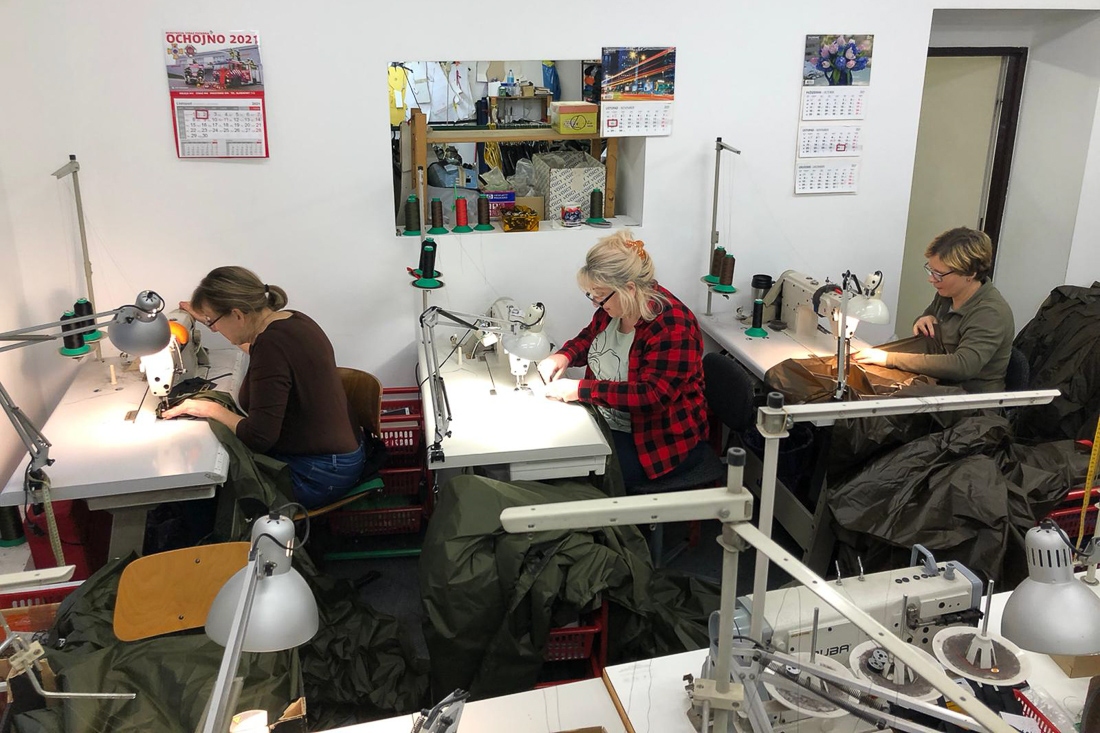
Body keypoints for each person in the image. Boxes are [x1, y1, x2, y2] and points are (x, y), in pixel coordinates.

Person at [162, 266, 365, 508]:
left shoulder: (271, 346)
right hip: (344, 456)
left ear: (237, 315)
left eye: (212, 321)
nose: (213, 328)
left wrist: (208, 408)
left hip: (319, 474)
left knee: (217, 492)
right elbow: (271, 359)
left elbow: (258, 437)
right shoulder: (292, 320)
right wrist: (205, 317)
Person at [538, 230, 710, 492]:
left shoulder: (672, 325)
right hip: (608, 421)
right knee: (550, 451)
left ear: (628, 289)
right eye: (591, 295)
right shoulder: (614, 309)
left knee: (573, 473)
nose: (596, 303)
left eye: (600, 296)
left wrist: (580, 390)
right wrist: (565, 355)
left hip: (657, 443)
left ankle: (614, 531)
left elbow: (652, 396)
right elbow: (590, 337)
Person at [855, 226, 1014, 392]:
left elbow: (963, 365)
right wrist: (923, 319)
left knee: (871, 398)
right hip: (939, 382)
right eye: (930, 270)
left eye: (939, 274)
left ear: (971, 274)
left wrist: (889, 358)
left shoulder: (990, 313)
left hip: (969, 399)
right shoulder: (947, 294)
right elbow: (929, 319)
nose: (931, 279)